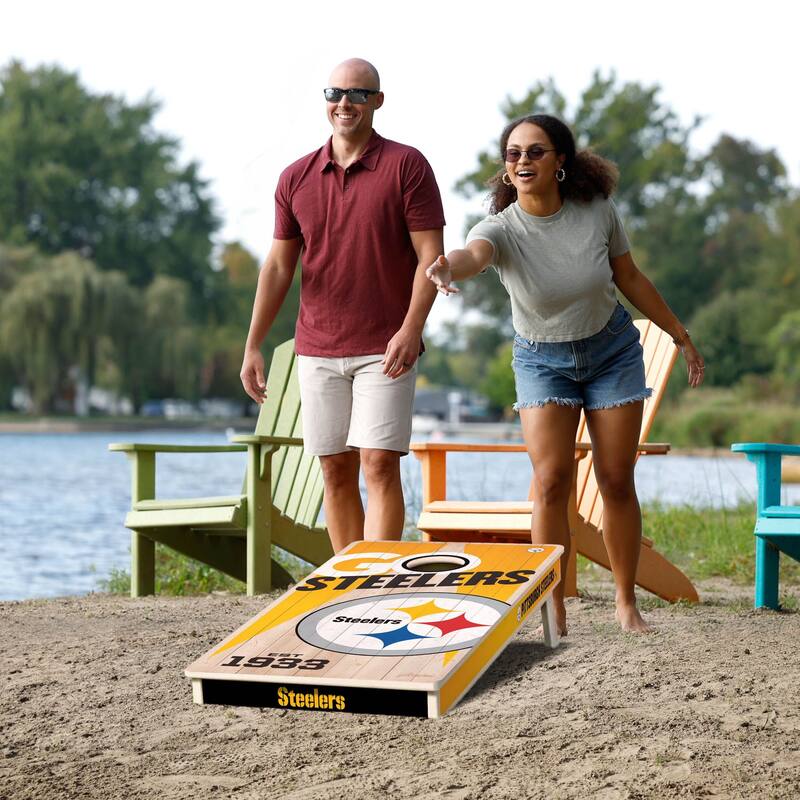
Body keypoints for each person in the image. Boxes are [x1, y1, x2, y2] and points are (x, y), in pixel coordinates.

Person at [426, 114, 704, 634]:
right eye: (513, 154)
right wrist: (447, 267)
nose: (523, 161)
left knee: (616, 480)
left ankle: (625, 603)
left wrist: (679, 335)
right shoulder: (500, 228)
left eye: (535, 151)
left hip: (612, 353)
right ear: (505, 169)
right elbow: (472, 255)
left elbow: (630, 277)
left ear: (560, 162)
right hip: (541, 360)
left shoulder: (597, 211)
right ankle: (552, 605)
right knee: (551, 480)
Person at [240, 58, 445, 554]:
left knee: (378, 462)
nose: (345, 103)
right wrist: (252, 345)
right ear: (325, 101)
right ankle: (347, 584)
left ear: (378, 101)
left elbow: (431, 258)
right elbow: (277, 269)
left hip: (386, 346)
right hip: (318, 346)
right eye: (336, 93)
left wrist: (411, 329)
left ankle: (375, 582)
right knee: (334, 467)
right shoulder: (295, 177)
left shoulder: (406, 165)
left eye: (357, 94)